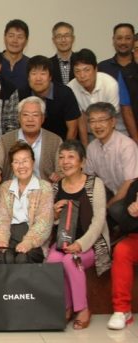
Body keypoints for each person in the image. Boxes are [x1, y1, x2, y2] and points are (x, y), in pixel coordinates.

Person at [47, 140, 110, 330]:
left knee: (70, 260)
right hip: (63, 242)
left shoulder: (94, 184)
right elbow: (54, 223)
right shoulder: (56, 186)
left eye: (71, 157)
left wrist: (81, 244)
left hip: (92, 243)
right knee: (52, 260)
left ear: (82, 162)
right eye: (62, 157)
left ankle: (82, 308)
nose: (65, 161)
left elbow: (99, 221)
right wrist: (55, 215)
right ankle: (66, 305)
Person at [0, 142, 54, 264]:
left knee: (22, 258)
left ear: (33, 162)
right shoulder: (5, 187)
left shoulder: (45, 187)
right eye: (16, 162)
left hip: (34, 236)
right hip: (10, 234)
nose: (21, 166)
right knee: (6, 257)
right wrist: (2, 239)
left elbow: (44, 221)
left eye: (25, 161)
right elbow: (1, 217)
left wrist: (28, 242)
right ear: (12, 165)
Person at [83, 102, 138, 224]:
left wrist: (107, 206)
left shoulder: (126, 146)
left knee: (116, 209)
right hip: (111, 192)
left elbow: (130, 182)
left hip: (132, 195)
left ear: (113, 122)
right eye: (92, 121)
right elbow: (89, 178)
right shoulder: (92, 147)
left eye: (102, 120)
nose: (97, 126)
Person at [0, 96, 62, 184]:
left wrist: (59, 175)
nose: (30, 119)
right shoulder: (6, 140)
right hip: (12, 189)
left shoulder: (55, 140)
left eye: (35, 115)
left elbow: (61, 169)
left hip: (44, 190)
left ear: (42, 118)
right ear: (19, 117)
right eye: (25, 115)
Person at [19, 55, 81, 140]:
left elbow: (72, 129)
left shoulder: (65, 93)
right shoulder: (21, 94)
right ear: (28, 77)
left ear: (50, 77)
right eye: (34, 73)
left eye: (43, 74)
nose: (38, 78)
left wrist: (64, 151)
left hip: (61, 142)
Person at [108, 178, 138, 330]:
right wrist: (134, 214)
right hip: (136, 239)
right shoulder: (135, 186)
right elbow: (125, 225)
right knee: (121, 250)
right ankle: (122, 310)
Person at [0, 19, 30, 91]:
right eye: (11, 36)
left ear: (26, 41)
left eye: (20, 37)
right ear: (4, 38)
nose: (15, 41)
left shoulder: (31, 65)